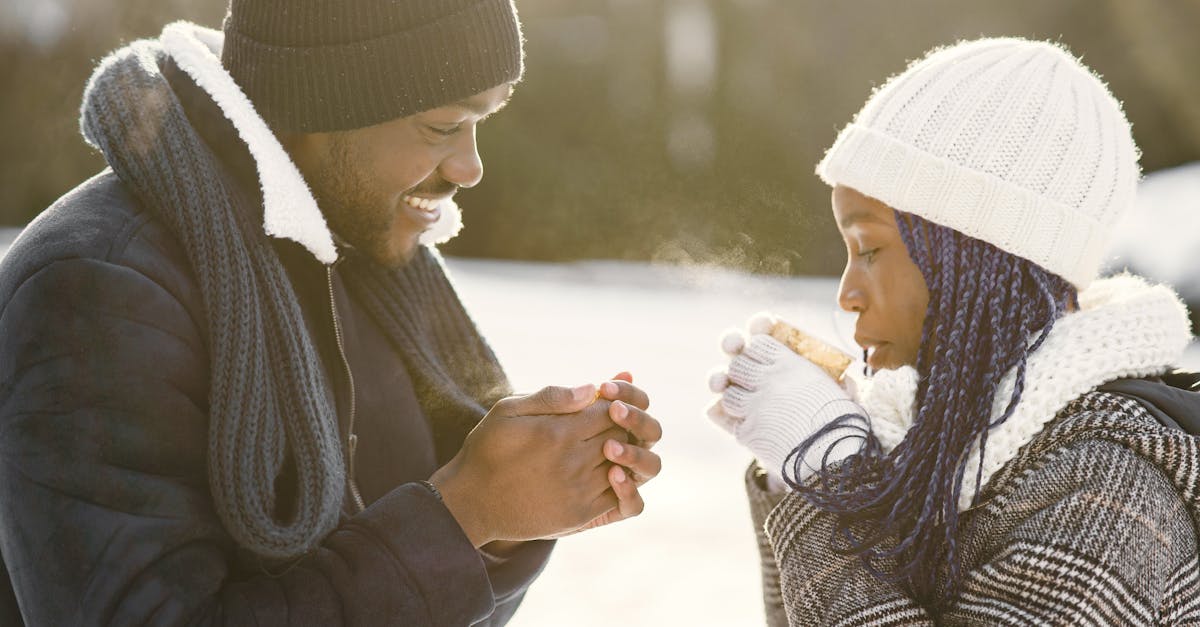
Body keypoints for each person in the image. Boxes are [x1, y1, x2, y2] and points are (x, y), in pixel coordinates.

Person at [0, 1, 663, 625]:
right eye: (442, 126)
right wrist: (464, 512)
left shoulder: (348, 255)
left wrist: (515, 507)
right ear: (320, 103)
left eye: (481, 122)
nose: (471, 166)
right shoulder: (97, 291)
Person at [707, 38, 1199, 625]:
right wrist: (800, 475)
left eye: (869, 249)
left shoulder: (1103, 485)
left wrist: (826, 473)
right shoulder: (950, 441)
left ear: (979, 260)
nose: (847, 294)